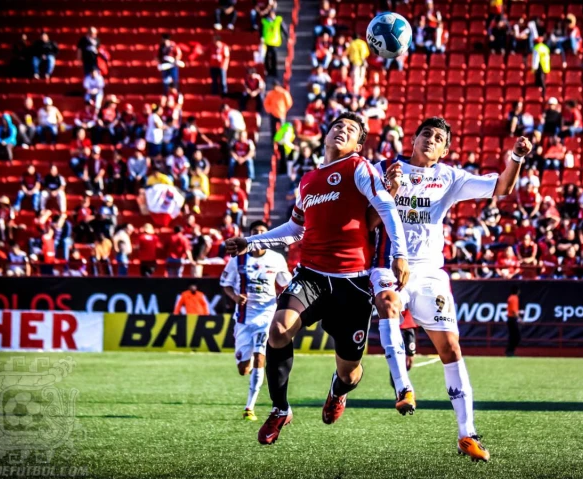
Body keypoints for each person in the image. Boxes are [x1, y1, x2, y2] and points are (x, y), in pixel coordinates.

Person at [224, 113, 409, 446]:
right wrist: (250, 242)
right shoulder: (307, 180)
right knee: (278, 331)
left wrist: (400, 254)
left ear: (359, 143)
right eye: (338, 126)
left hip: (352, 282)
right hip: (310, 275)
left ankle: (337, 392)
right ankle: (280, 409)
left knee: (349, 371)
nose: (342, 131)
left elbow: (387, 210)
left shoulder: (359, 168)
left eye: (351, 130)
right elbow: (296, 230)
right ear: (325, 135)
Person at [369, 118, 528, 462]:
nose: (431, 140)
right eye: (426, 133)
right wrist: (388, 190)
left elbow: (502, 187)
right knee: (388, 303)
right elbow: (363, 216)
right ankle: (404, 387)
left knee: (451, 347)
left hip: (429, 272)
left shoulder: (449, 177)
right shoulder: (383, 169)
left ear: (445, 149)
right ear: (413, 138)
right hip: (388, 263)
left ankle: (466, 434)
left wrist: (515, 158)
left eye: (439, 138)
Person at [221, 220, 292, 421]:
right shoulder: (237, 260)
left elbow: (285, 283)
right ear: (250, 235)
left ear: (267, 235)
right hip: (244, 318)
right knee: (244, 368)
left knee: (261, 357)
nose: (259, 235)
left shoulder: (277, 259)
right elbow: (225, 284)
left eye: (262, 232)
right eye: (255, 232)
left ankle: (249, 407)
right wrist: (235, 297)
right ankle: (248, 360)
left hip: (266, 315)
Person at [261, 10, 287, 78]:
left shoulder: (278, 20)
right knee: (267, 57)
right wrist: (261, 38)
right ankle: (268, 71)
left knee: (274, 57)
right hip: (267, 42)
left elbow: (284, 29)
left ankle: (274, 71)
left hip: (275, 42)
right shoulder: (265, 21)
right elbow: (261, 30)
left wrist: (286, 36)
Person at [505, 286, 520, 357]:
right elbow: (514, 311)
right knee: (516, 337)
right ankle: (510, 352)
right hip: (512, 319)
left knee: (512, 336)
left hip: (510, 319)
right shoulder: (514, 298)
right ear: (517, 291)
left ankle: (509, 352)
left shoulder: (510, 297)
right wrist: (520, 319)